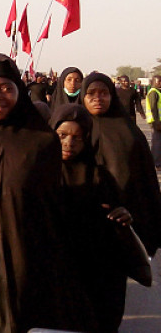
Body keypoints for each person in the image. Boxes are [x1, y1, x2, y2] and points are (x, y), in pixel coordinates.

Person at [0, 53, 94, 332]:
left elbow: (54, 206)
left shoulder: (41, 142)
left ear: (19, 92)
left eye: (5, 88)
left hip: (26, 257)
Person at [49, 104, 133, 331]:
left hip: (95, 275)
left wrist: (123, 216)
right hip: (54, 274)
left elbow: (117, 217)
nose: (69, 143)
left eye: (78, 137)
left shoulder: (100, 176)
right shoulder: (39, 173)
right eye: (62, 135)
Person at [82, 72, 161, 254]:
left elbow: (146, 180)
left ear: (112, 95)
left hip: (123, 222)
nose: (98, 98)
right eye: (91, 93)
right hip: (82, 222)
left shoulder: (129, 133)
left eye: (104, 93)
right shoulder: (74, 129)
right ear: (83, 96)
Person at [146, 75, 161, 168]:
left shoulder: (158, 92)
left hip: (158, 120)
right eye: (159, 81)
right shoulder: (153, 92)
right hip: (155, 121)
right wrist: (157, 122)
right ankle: (156, 163)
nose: (160, 83)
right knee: (157, 143)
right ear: (154, 82)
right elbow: (153, 108)